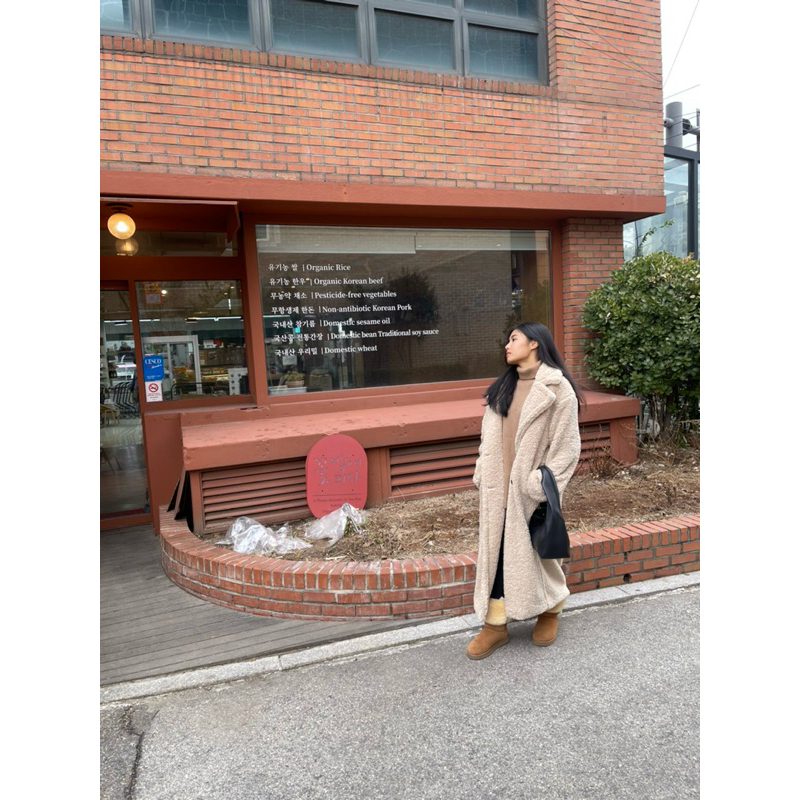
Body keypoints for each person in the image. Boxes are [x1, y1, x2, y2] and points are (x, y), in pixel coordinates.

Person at [467, 322, 584, 660]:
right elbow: (487, 439)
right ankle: (495, 624)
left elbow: (567, 448)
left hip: (530, 490)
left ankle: (550, 609)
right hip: (497, 488)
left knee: (537, 554)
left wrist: (540, 484)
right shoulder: (502, 388)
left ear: (534, 343)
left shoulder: (557, 389)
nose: (507, 345)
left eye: (514, 339)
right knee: (497, 554)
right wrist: (482, 470)